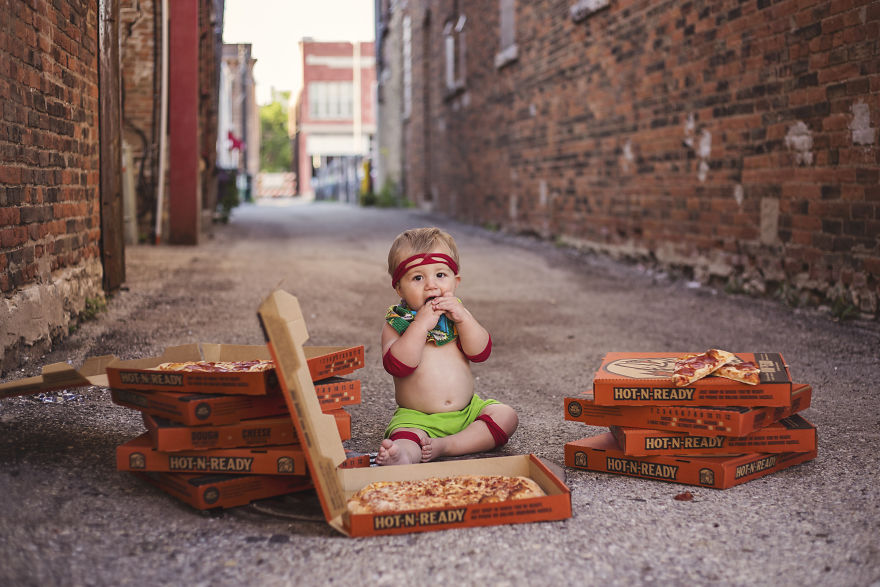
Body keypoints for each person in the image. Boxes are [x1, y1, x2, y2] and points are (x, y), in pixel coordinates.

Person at [376, 227, 518, 465]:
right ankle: (401, 455)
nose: (431, 286)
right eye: (418, 278)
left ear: (456, 281)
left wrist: (464, 320)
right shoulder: (397, 323)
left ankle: (447, 446)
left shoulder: (457, 315)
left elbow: (480, 352)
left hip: (467, 412)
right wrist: (420, 325)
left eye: (440, 275)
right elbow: (398, 365)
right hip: (418, 418)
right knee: (407, 440)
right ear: (399, 288)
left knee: (506, 416)